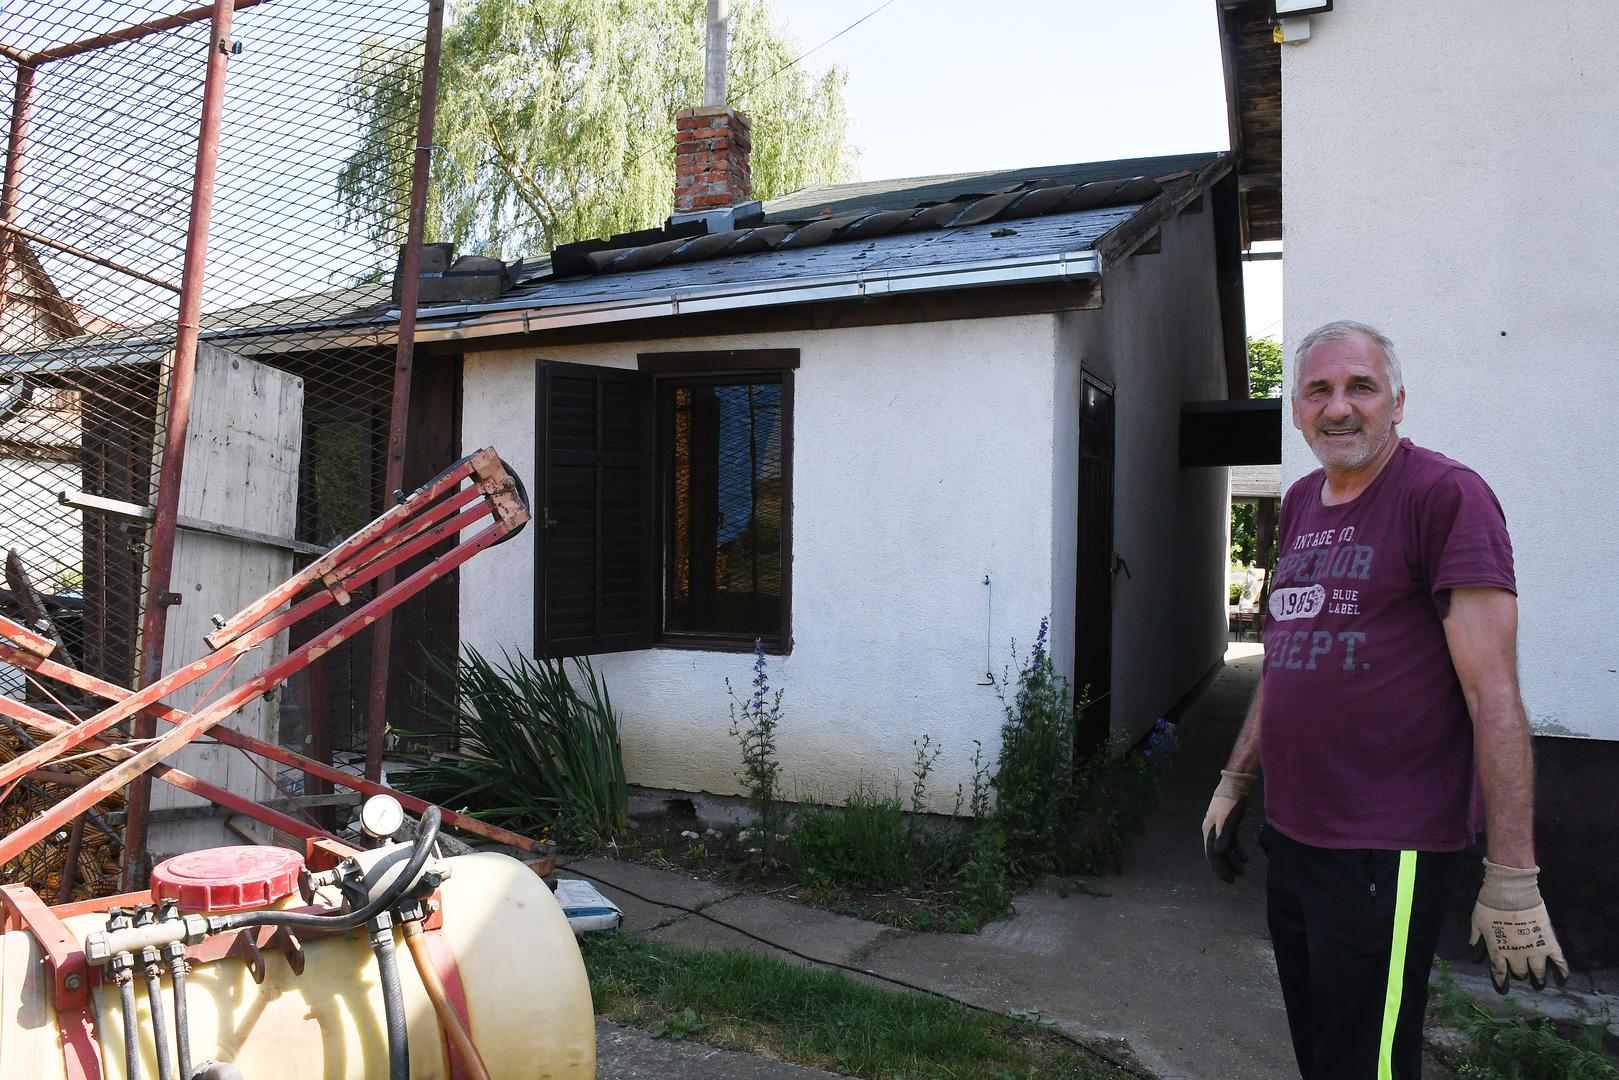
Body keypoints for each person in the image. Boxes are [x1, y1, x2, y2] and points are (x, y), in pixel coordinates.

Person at [1201, 320, 1567, 1080]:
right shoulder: (1302, 501)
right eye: (1318, 390)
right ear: (1296, 410)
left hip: (1385, 848)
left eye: (1359, 387)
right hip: (1295, 835)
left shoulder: (1442, 496)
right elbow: (1287, 657)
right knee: (1323, 1052)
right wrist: (1237, 777)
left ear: (1396, 402)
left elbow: (1492, 691)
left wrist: (1512, 875)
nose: (1338, 408)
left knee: (1367, 1064)